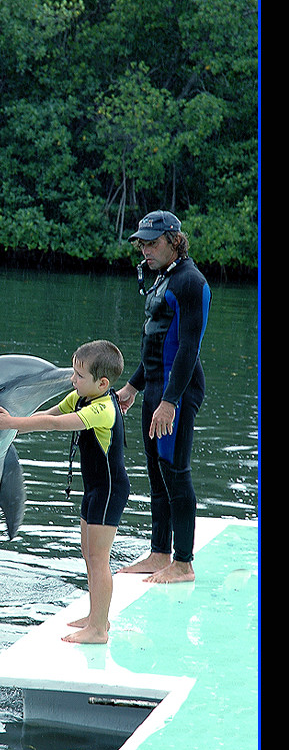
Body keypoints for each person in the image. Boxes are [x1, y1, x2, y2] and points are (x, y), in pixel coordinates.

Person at [0, 340, 129, 644]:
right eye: (73, 373)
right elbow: (49, 411)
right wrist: (13, 428)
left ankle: (98, 629)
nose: (72, 380)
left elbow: (54, 423)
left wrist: (10, 422)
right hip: (95, 489)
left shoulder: (102, 409)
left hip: (109, 491)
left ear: (102, 383)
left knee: (99, 559)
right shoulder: (82, 397)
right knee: (89, 555)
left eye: (79, 376)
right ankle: (95, 615)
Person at [117, 210, 211, 583]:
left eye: (153, 243)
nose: (146, 250)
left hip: (178, 389)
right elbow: (155, 344)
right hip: (155, 387)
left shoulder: (191, 282)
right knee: (156, 472)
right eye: (142, 244)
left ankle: (184, 562)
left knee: (175, 471)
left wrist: (169, 402)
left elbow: (188, 348)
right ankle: (159, 554)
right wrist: (133, 386)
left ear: (174, 240)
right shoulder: (162, 279)